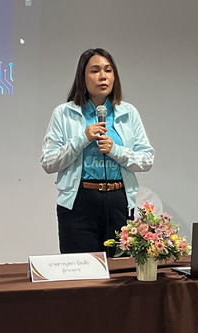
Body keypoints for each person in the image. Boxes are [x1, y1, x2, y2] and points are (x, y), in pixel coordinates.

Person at [40, 48, 154, 255]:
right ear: (82, 78)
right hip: (78, 202)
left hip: (119, 201)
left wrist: (115, 150)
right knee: (82, 269)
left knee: (120, 269)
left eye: (108, 70)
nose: (103, 76)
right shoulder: (64, 113)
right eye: (95, 71)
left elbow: (146, 159)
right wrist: (82, 139)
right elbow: (49, 162)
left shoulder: (129, 113)